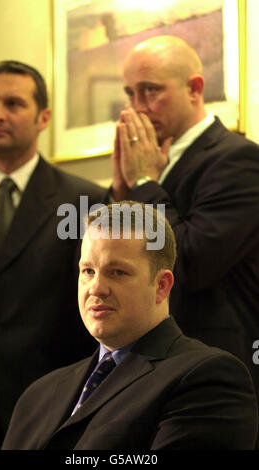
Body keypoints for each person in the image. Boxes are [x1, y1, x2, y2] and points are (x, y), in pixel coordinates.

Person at [2, 202, 258, 450]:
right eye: (88, 271)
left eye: (117, 272)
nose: (96, 288)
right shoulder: (39, 393)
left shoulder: (207, 379)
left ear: (161, 286)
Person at [110, 35, 259, 435]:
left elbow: (190, 261)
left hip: (214, 369)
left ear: (195, 88)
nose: (137, 107)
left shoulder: (238, 159)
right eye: (130, 93)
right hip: (139, 364)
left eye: (151, 91)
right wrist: (121, 193)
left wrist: (142, 181)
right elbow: (107, 262)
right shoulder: (155, 162)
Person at [0, 60, 105, 450]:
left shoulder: (83, 201)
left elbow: (94, 302)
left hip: (47, 406)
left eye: (13, 103)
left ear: (43, 117)